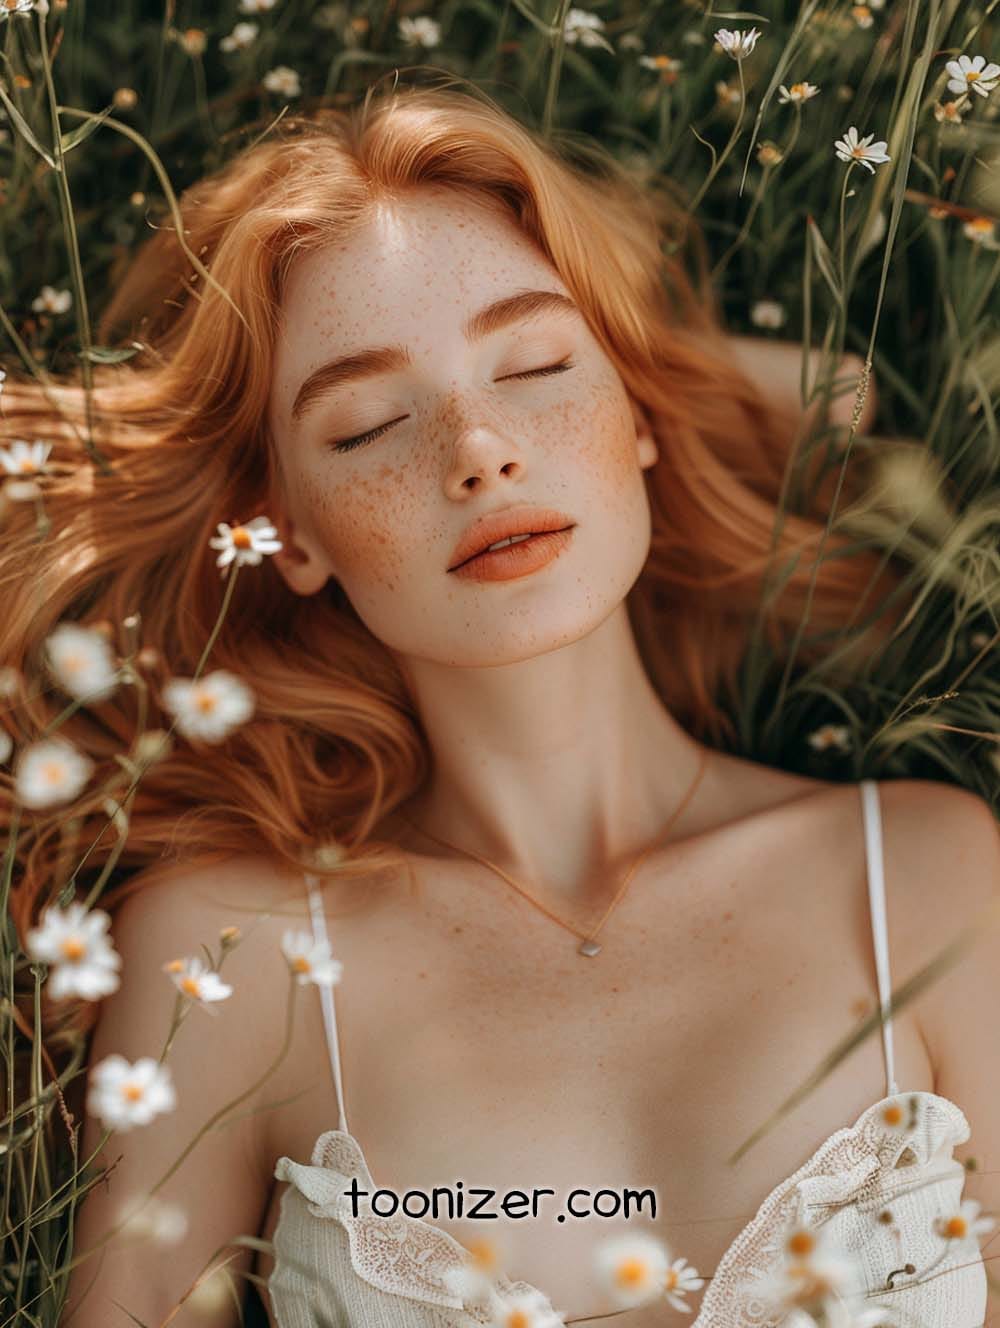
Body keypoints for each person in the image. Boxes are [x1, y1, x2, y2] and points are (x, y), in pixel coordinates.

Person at [4, 81, 996, 1328]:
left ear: (638, 412)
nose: (478, 448)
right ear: (289, 536)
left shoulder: (921, 873)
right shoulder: (238, 946)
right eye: (366, 425)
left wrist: (674, 363)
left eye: (534, 362)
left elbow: (843, 392)